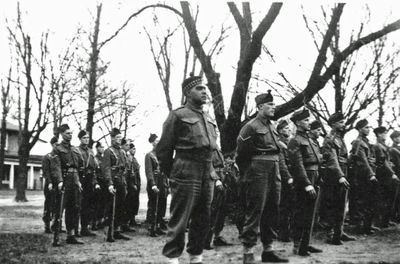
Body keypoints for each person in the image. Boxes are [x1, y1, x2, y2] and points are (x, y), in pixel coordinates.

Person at [157, 75, 218, 264]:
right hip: (186, 169)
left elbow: (213, 148)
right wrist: (174, 174)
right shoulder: (178, 115)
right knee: (180, 219)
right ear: (187, 93)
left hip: (206, 172)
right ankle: (172, 258)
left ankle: (195, 257)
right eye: (199, 88)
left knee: (203, 219)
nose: (205, 92)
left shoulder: (208, 118)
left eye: (205, 88)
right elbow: (163, 150)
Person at [236, 90, 288, 264]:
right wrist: (249, 173)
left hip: (274, 169)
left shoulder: (271, 126)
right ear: (259, 107)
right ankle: (248, 253)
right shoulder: (251, 126)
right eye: (270, 105)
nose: (273, 107)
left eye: (274, 104)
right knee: (255, 210)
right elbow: (241, 155)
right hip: (258, 170)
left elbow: (276, 151)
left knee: (273, 209)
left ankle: (268, 250)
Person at [288, 110, 323, 257]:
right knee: (301, 213)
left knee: (311, 213)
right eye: (306, 120)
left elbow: (317, 161)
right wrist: (307, 183)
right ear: (298, 123)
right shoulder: (295, 140)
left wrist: (319, 177)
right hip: (304, 179)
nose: (309, 122)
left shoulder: (310, 140)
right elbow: (298, 165)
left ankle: (306, 243)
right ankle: (298, 246)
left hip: (314, 176)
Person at [320, 113, 355, 245]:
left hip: (342, 172)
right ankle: (330, 234)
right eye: (341, 122)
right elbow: (332, 159)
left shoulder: (339, 138)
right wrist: (340, 176)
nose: (343, 124)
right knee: (332, 204)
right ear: (333, 124)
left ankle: (339, 232)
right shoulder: (330, 139)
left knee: (341, 204)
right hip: (334, 175)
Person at [51, 124, 84, 246]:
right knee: (60, 208)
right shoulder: (57, 149)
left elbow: (80, 166)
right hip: (64, 180)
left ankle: (71, 235)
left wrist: (78, 181)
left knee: (73, 208)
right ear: (61, 134)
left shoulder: (75, 149)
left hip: (74, 180)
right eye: (67, 133)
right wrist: (59, 181)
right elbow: (56, 167)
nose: (70, 135)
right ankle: (56, 237)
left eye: (71, 133)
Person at [350, 119, 379, 234]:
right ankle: (361, 227)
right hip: (362, 175)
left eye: (369, 127)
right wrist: (371, 174)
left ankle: (368, 225)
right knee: (362, 200)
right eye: (366, 127)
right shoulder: (357, 142)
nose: (368, 129)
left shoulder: (366, 141)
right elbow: (362, 160)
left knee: (370, 200)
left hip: (369, 173)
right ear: (360, 129)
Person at [102, 128, 130, 242]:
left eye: (120, 138)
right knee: (110, 207)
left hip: (121, 181)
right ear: (112, 138)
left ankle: (117, 230)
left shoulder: (122, 152)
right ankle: (108, 232)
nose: (119, 140)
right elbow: (106, 168)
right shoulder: (108, 151)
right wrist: (109, 183)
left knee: (120, 206)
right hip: (113, 181)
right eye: (117, 138)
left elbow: (126, 167)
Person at [205, 149, 232, 249]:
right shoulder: (208, 147)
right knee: (213, 210)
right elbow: (208, 164)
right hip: (213, 179)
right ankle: (206, 240)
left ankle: (217, 236)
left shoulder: (217, 148)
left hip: (222, 177)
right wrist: (216, 180)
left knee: (222, 210)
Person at [373, 126, 400, 228]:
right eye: (384, 133)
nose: (386, 135)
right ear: (379, 134)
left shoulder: (383, 146)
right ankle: (381, 222)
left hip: (387, 175)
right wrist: (392, 173)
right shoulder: (378, 146)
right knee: (383, 199)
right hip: (383, 176)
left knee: (389, 198)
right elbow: (384, 162)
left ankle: (385, 220)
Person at [77, 130, 100, 236]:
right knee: (78, 205)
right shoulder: (76, 151)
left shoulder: (91, 151)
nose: (86, 139)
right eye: (84, 138)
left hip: (89, 180)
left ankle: (85, 228)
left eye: (87, 138)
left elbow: (94, 169)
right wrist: (77, 181)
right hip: (80, 179)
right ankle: (74, 229)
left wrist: (95, 182)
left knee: (88, 205)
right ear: (80, 139)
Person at [145, 133, 169, 237]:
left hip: (162, 182)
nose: (158, 143)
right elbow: (149, 171)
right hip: (154, 182)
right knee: (153, 205)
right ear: (152, 143)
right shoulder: (149, 155)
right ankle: (151, 228)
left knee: (162, 205)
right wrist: (152, 184)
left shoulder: (162, 155)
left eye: (159, 141)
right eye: (156, 141)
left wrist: (167, 184)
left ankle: (159, 226)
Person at [276, 119, 294, 243]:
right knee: (284, 206)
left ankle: (289, 231)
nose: (289, 130)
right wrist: (289, 178)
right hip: (283, 179)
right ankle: (282, 233)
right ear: (281, 131)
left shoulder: (289, 143)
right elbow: (282, 164)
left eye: (289, 128)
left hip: (292, 177)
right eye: (286, 128)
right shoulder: (279, 144)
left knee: (291, 206)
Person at [42, 136, 58, 234]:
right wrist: (50, 182)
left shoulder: (59, 157)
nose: (57, 147)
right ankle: (47, 225)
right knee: (49, 204)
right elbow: (46, 172)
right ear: (52, 145)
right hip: (50, 184)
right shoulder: (47, 157)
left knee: (57, 205)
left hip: (58, 184)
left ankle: (56, 225)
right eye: (56, 145)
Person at [93, 141, 107, 230]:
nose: (103, 149)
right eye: (101, 147)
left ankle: (101, 221)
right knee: (96, 203)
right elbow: (94, 171)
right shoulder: (95, 159)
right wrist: (96, 183)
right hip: (97, 183)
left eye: (103, 147)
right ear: (97, 148)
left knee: (103, 203)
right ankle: (94, 222)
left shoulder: (104, 159)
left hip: (104, 183)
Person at [128, 142, 142, 227]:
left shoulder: (134, 159)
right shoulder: (129, 159)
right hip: (133, 183)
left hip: (137, 182)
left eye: (135, 149)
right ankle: (130, 220)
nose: (134, 150)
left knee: (135, 201)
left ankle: (132, 219)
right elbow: (131, 172)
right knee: (131, 202)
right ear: (129, 150)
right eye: (133, 149)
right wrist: (133, 183)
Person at [389, 130, 400, 222]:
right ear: (393, 139)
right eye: (397, 137)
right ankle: (394, 216)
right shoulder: (393, 149)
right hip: (397, 173)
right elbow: (396, 163)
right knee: (396, 196)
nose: (399, 138)